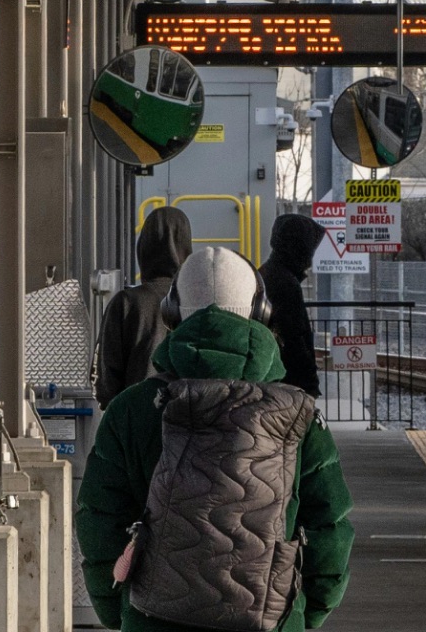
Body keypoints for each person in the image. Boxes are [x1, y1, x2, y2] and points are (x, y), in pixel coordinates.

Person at [77, 245, 353, 632]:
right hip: (270, 620)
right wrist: (306, 613)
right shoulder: (299, 414)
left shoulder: (132, 408)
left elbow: (100, 520)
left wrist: (118, 608)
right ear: (260, 313)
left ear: (172, 314)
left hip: (153, 618)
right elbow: (329, 525)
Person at [95, 205, 193, 408]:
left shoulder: (127, 303)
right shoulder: (200, 301)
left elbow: (107, 382)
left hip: (136, 420)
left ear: (144, 248)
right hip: (190, 424)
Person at [259, 213, 326, 399]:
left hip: (272, 379)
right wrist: (309, 383)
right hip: (289, 386)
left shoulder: (267, 273)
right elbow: (294, 337)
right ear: (299, 247)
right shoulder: (285, 283)